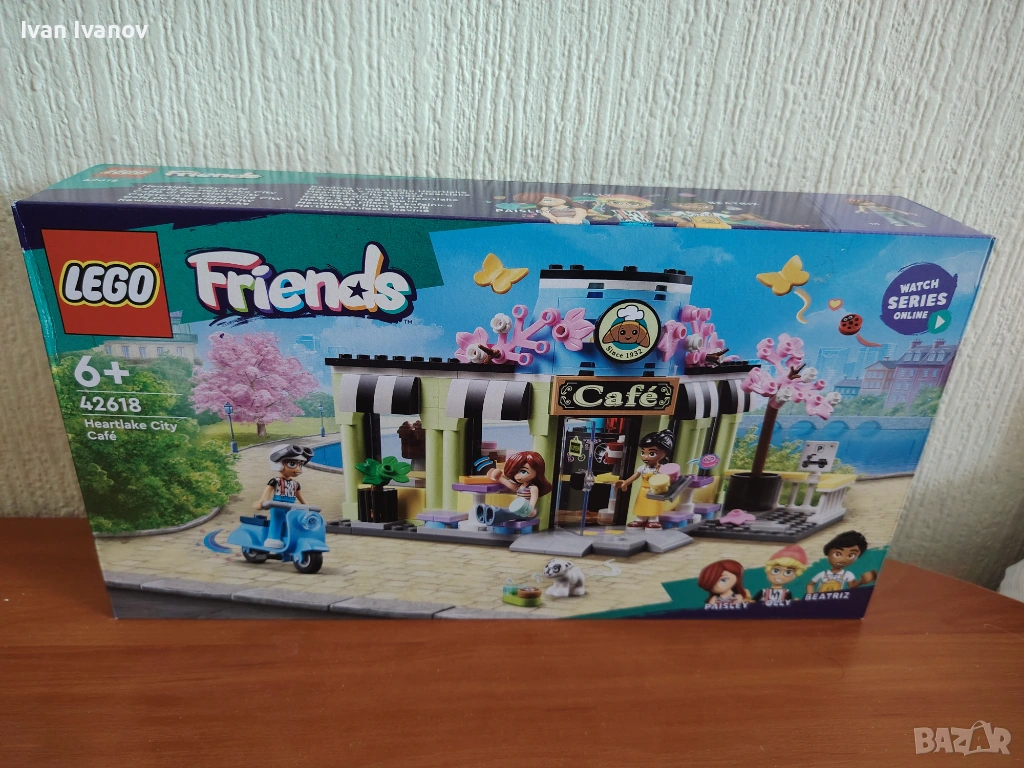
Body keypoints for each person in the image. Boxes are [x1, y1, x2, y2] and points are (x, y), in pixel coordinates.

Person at [254, 444, 314, 549]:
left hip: (292, 507)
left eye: (300, 465)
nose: (299, 469)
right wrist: (262, 502)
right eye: (292, 464)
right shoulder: (275, 481)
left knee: (291, 524)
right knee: (276, 522)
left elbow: (300, 498)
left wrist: (307, 507)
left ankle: (288, 539)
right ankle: (273, 539)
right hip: (278, 506)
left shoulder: (296, 484)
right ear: (279, 464)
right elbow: (266, 494)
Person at [615, 429, 674, 529]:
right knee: (641, 505)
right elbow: (635, 476)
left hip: (655, 492)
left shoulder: (661, 469)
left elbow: (666, 479)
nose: (645, 457)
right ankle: (640, 519)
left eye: (651, 454)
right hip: (643, 491)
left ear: (664, 453)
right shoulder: (643, 468)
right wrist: (626, 482)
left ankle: (653, 520)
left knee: (654, 505)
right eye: (643, 452)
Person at [806, 530, 877, 594]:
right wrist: (811, 597)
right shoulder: (822, 574)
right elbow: (810, 585)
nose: (843, 559)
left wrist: (861, 581)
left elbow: (852, 586)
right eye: (838, 554)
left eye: (851, 555)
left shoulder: (847, 574)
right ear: (828, 552)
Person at [487, 450, 552, 517]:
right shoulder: (519, 486)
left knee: (513, 514)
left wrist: (529, 509)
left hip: (528, 511)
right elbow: (508, 484)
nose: (517, 476)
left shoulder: (532, 488)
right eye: (515, 472)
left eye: (523, 471)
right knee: (507, 512)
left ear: (537, 471)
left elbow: (533, 499)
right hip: (519, 509)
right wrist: (499, 478)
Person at [511, 192, 589, 224]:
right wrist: (555, 219)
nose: (547, 202)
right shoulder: (546, 209)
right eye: (543, 201)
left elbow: (581, 212)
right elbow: (548, 215)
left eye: (549, 199)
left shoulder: (575, 208)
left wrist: (575, 220)